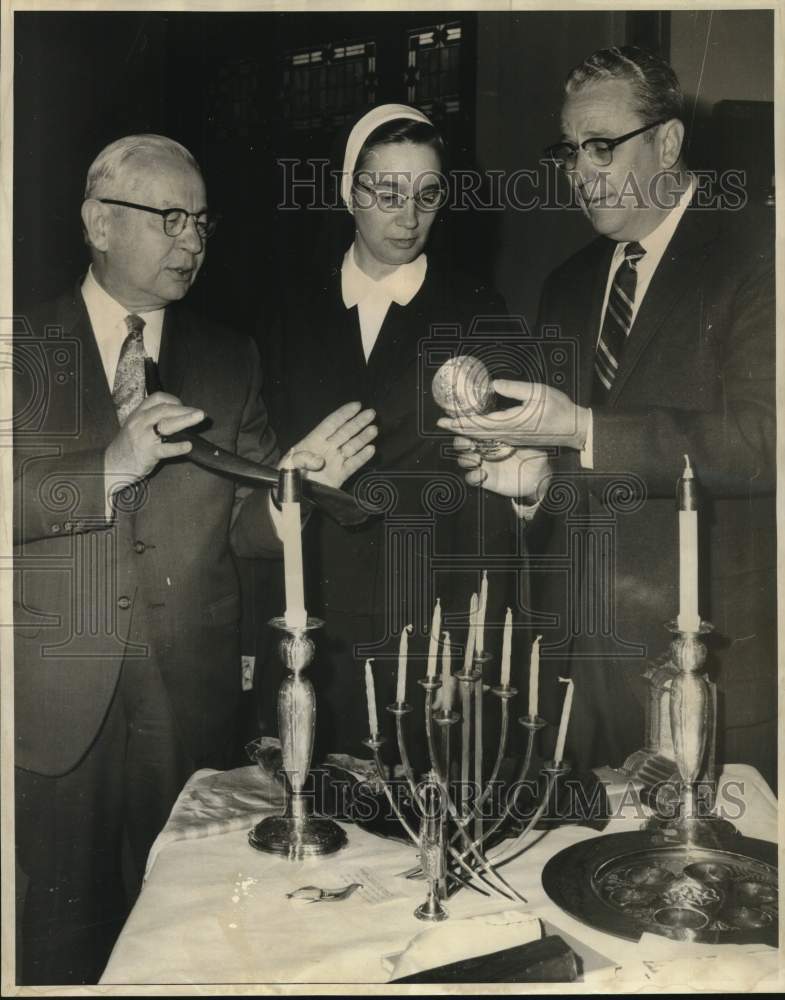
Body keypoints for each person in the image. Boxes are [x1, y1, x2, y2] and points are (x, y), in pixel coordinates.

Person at [12, 133, 377, 984]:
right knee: (58, 937)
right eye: (169, 217)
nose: (192, 241)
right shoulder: (19, 342)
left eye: (203, 222)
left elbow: (245, 521)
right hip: (58, 694)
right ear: (99, 223)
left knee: (189, 930)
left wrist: (292, 495)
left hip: (190, 690)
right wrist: (108, 468)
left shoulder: (228, 354)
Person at [440, 47, 776, 787]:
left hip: (710, 667)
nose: (580, 170)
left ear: (667, 141)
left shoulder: (757, 252)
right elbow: (577, 470)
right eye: (569, 151)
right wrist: (531, 482)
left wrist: (580, 430)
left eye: (601, 146)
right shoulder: (566, 284)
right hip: (584, 675)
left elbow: (765, 441)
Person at [258, 104, 514, 762]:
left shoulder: (478, 311)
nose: (408, 216)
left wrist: (466, 646)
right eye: (386, 192)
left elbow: (490, 500)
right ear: (348, 191)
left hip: (429, 626)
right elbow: (262, 486)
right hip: (315, 618)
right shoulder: (286, 315)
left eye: (427, 195)